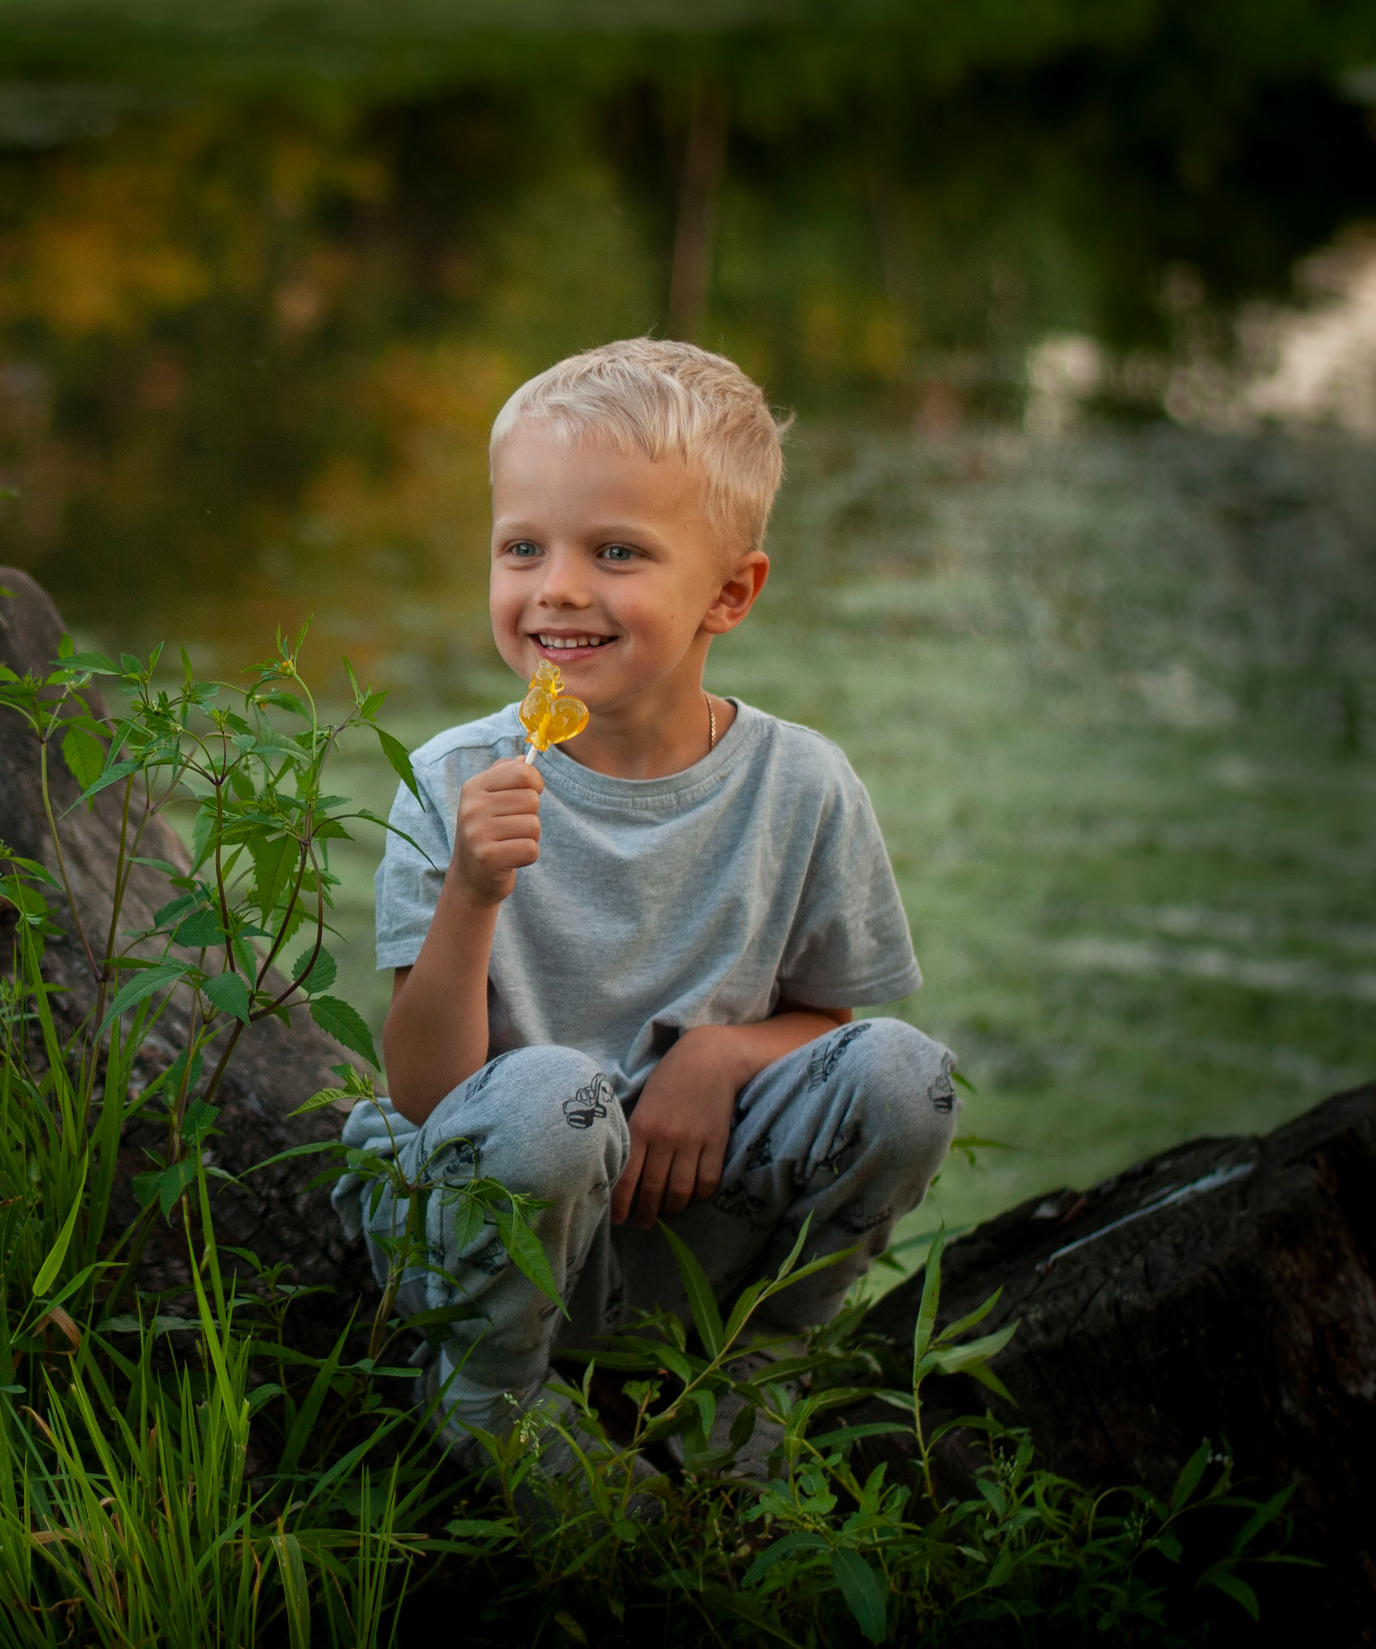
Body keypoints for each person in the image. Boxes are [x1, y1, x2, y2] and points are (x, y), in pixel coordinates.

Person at [331, 338, 958, 1497]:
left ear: (730, 590)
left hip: (688, 1218)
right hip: (492, 1209)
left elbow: (833, 1014)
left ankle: (757, 1355)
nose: (556, 587)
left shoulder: (802, 785)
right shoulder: (455, 775)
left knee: (906, 1077)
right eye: (523, 547)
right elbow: (424, 1094)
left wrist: (722, 1054)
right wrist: (471, 892)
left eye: (615, 551)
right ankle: (488, 1388)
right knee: (548, 1097)